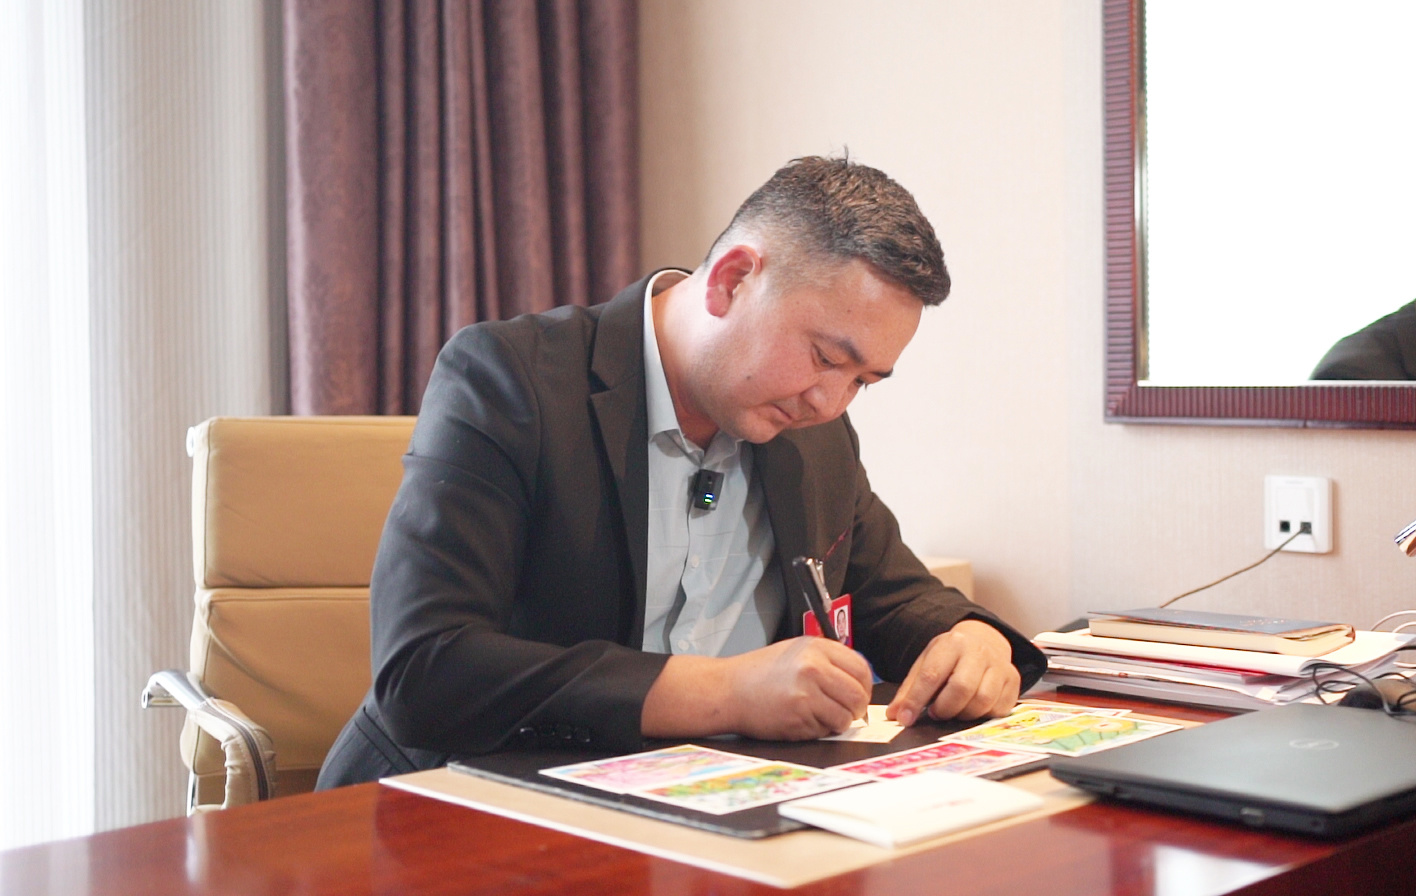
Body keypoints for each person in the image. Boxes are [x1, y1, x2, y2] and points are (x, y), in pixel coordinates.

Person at [317, 156, 1046, 788]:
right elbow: (426, 670)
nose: (830, 402)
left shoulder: (813, 433)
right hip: (467, 804)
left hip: (707, 810)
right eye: (826, 357)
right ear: (732, 280)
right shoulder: (511, 381)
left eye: (863, 380)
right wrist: (725, 692)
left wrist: (970, 641)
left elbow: (892, 592)